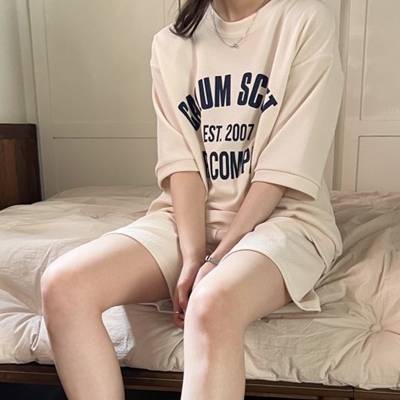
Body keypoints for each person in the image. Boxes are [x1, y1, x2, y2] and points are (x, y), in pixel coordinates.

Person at [41, 0, 344, 399]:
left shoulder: (304, 21)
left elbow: (281, 170)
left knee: (211, 301)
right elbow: (182, 165)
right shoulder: (171, 43)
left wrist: (216, 260)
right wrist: (192, 256)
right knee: (64, 285)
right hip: (187, 219)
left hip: (284, 217)